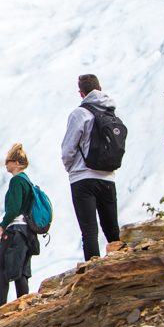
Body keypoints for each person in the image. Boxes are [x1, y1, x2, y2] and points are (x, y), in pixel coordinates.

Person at [61, 74, 121, 261]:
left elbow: (68, 149)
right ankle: (119, 263)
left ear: (81, 93)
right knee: (111, 228)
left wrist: (72, 169)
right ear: (100, 88)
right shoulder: (111, 112)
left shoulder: (79, 114)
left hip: (83, 178)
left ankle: (92, 273)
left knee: (89, 230)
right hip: (108, 177)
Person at [0, 143, 39, 308]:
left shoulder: (16, 181)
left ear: (18, 163)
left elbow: (13, 208)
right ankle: (24, 303)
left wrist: (1, 227)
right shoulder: (27, 181)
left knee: (1, 268)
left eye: (9, 161)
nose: (6, 164)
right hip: (27, 232)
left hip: (15, 230)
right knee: (20, 271)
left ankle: (1, 307)